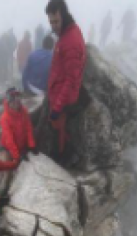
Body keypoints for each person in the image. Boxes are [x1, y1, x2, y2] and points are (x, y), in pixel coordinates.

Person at [45, 0, 87, 157]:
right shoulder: (68, 33)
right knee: (58, 127)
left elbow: (71, 79)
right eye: (51, 22)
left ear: (63, 15)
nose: (53, 25)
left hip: (62, 100)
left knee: (58, 130)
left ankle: (59, 157)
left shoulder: (70, 42)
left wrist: (56, 107)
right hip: (58, 94)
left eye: (56, 21)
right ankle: (61, 151)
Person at [0, 88, 38, 161]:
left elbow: (28, 129)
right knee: (8, 166)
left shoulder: (24, 111)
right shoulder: (4, 118)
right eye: (13, 100)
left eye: (18, 99)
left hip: (21, 144)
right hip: (8, 148)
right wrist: (17, 155)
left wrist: (31, 145)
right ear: (8, 102)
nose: (16, 102)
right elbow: (9, 139)